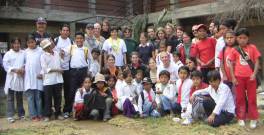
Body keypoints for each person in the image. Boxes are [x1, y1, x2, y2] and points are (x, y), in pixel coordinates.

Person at [229, 28, 261, 129]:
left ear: (248, 38)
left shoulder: (252, 48)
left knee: (252, 99)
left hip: (250, 78)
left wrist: (254, 74)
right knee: (240, 98)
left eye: (244, 38)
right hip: (239, 78)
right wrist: (233, 77)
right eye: (240, 37)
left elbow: (257, 62)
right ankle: (241, 117)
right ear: (237, 38)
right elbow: (230, 64)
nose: (242, 40)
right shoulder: (234, 49)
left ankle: (253, 118)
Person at [63, 32, 89, 118]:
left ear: (83, 40)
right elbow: (62, 52)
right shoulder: (71, 47)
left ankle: (83, 111)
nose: (79, 40)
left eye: (81, 38)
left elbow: (91, 61)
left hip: (83, 72)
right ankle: (67, 110)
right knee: (71, 92)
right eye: (77, 38)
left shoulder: (86, 49)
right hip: (73, 72)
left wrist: (90, 72)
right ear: (75, 39)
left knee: (83, 91)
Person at [40, 39, 64, 122]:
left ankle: (58, 114)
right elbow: (45, 69)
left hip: (58, 79)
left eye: (49, 45)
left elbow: (61, 63)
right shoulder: (43, 56)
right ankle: (47, 115)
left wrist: (62, 57)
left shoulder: (56, 53)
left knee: (58, 98)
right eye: (46, 47)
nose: (49, 47)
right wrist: (57, 70)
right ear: (44, 49)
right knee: (48, 99)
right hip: (48, 81)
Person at [3, 38, 25, 123]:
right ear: (12, 44)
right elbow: (5, 65)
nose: (17, 45)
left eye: (18, 43)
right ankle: (10, 115)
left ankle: (21, 114)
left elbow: (26, 62)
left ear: (20, 44)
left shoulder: (23, 53)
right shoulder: (8, 54)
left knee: (19, 98)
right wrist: (14, 70)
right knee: (10, 98)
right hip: (11, 78)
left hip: (20, 77)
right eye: (15, 43)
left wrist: (23, 68)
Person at [53, 24, 73, 117]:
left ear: (69, 32)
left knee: (67, 91)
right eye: (63, 30)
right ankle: (57, 111)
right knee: (57, 91)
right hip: (58, 69)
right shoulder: (56, 40)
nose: (65, 32)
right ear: (60, 31)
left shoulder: (71, 41)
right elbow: (51, 52)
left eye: (67, 30)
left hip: (68, 69)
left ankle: (67, 110)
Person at [24, 34, 43, 121]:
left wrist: (42, 73)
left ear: (35, 42)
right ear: (27, 43)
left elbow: (43, 63)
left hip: (38, 77)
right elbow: (22, 64)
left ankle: (40, 114)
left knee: (38, 98)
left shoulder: (40, 50)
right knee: (30, 98)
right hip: (28, 78)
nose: (31, 44)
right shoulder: (25, 52)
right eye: (29, 43)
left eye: (32, 42)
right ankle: (33, 115)